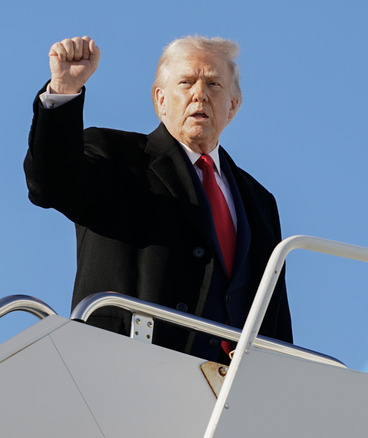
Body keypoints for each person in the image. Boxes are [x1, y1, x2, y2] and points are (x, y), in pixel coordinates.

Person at [24, 35, 293, 362]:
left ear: (233, 105)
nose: (200, 94)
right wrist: (63, 89)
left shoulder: (259, 199)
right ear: (161, 99)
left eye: (214, 84)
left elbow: (274, 309)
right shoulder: (116, 156)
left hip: (233, 387)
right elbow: (50, 184)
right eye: (186, 82)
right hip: (126, 366)